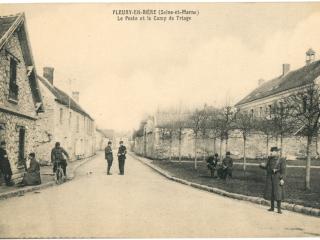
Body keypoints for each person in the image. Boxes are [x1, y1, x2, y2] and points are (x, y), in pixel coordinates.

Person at [260, 146, 286, 214]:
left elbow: (283, 170)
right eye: (271, 151)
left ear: (277, 152)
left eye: (273, 151)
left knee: (278, 193)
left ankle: (279, 209)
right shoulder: (269, 159)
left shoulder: (281, 160)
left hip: (277, 178)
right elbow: (266, 167)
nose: (271, 153)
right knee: (271, 192)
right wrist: (261, 165)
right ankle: (272, 207)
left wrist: (282, 179)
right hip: (270, 178)